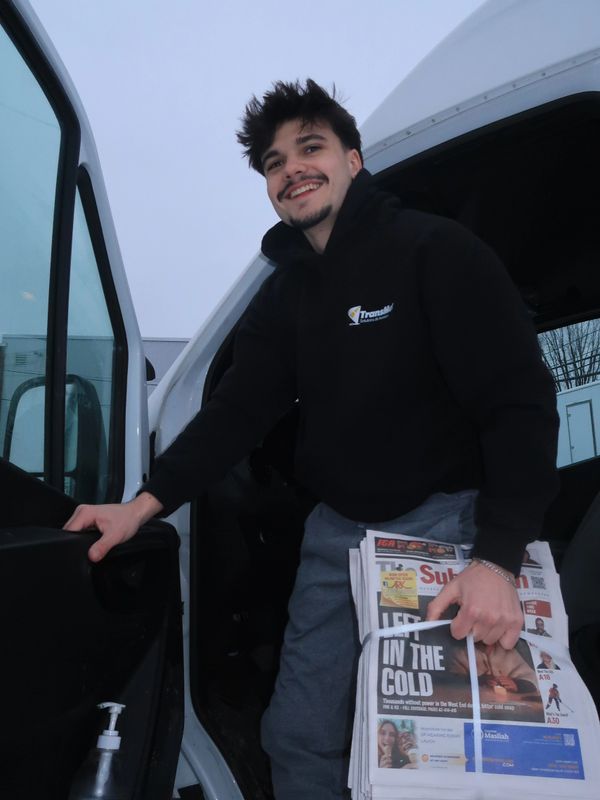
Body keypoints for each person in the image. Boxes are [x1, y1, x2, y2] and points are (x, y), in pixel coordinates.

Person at [64, 80, 559, 799]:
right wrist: (140, 507)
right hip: (339, 539)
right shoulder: (288, 292)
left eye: (310, 147)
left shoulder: (436, 252)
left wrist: (497, 559)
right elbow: (233, 414)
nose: (291, 167)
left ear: (353, 160)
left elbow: (519, 403)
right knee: (297, 737)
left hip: (449, 534)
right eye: (273, 161)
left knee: (445, 756)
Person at [449, 641, 538, 693]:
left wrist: (516, 684)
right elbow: (451, 681)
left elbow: (533, 680)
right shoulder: (460, 653)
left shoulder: (509, 652)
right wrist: (481, 680)